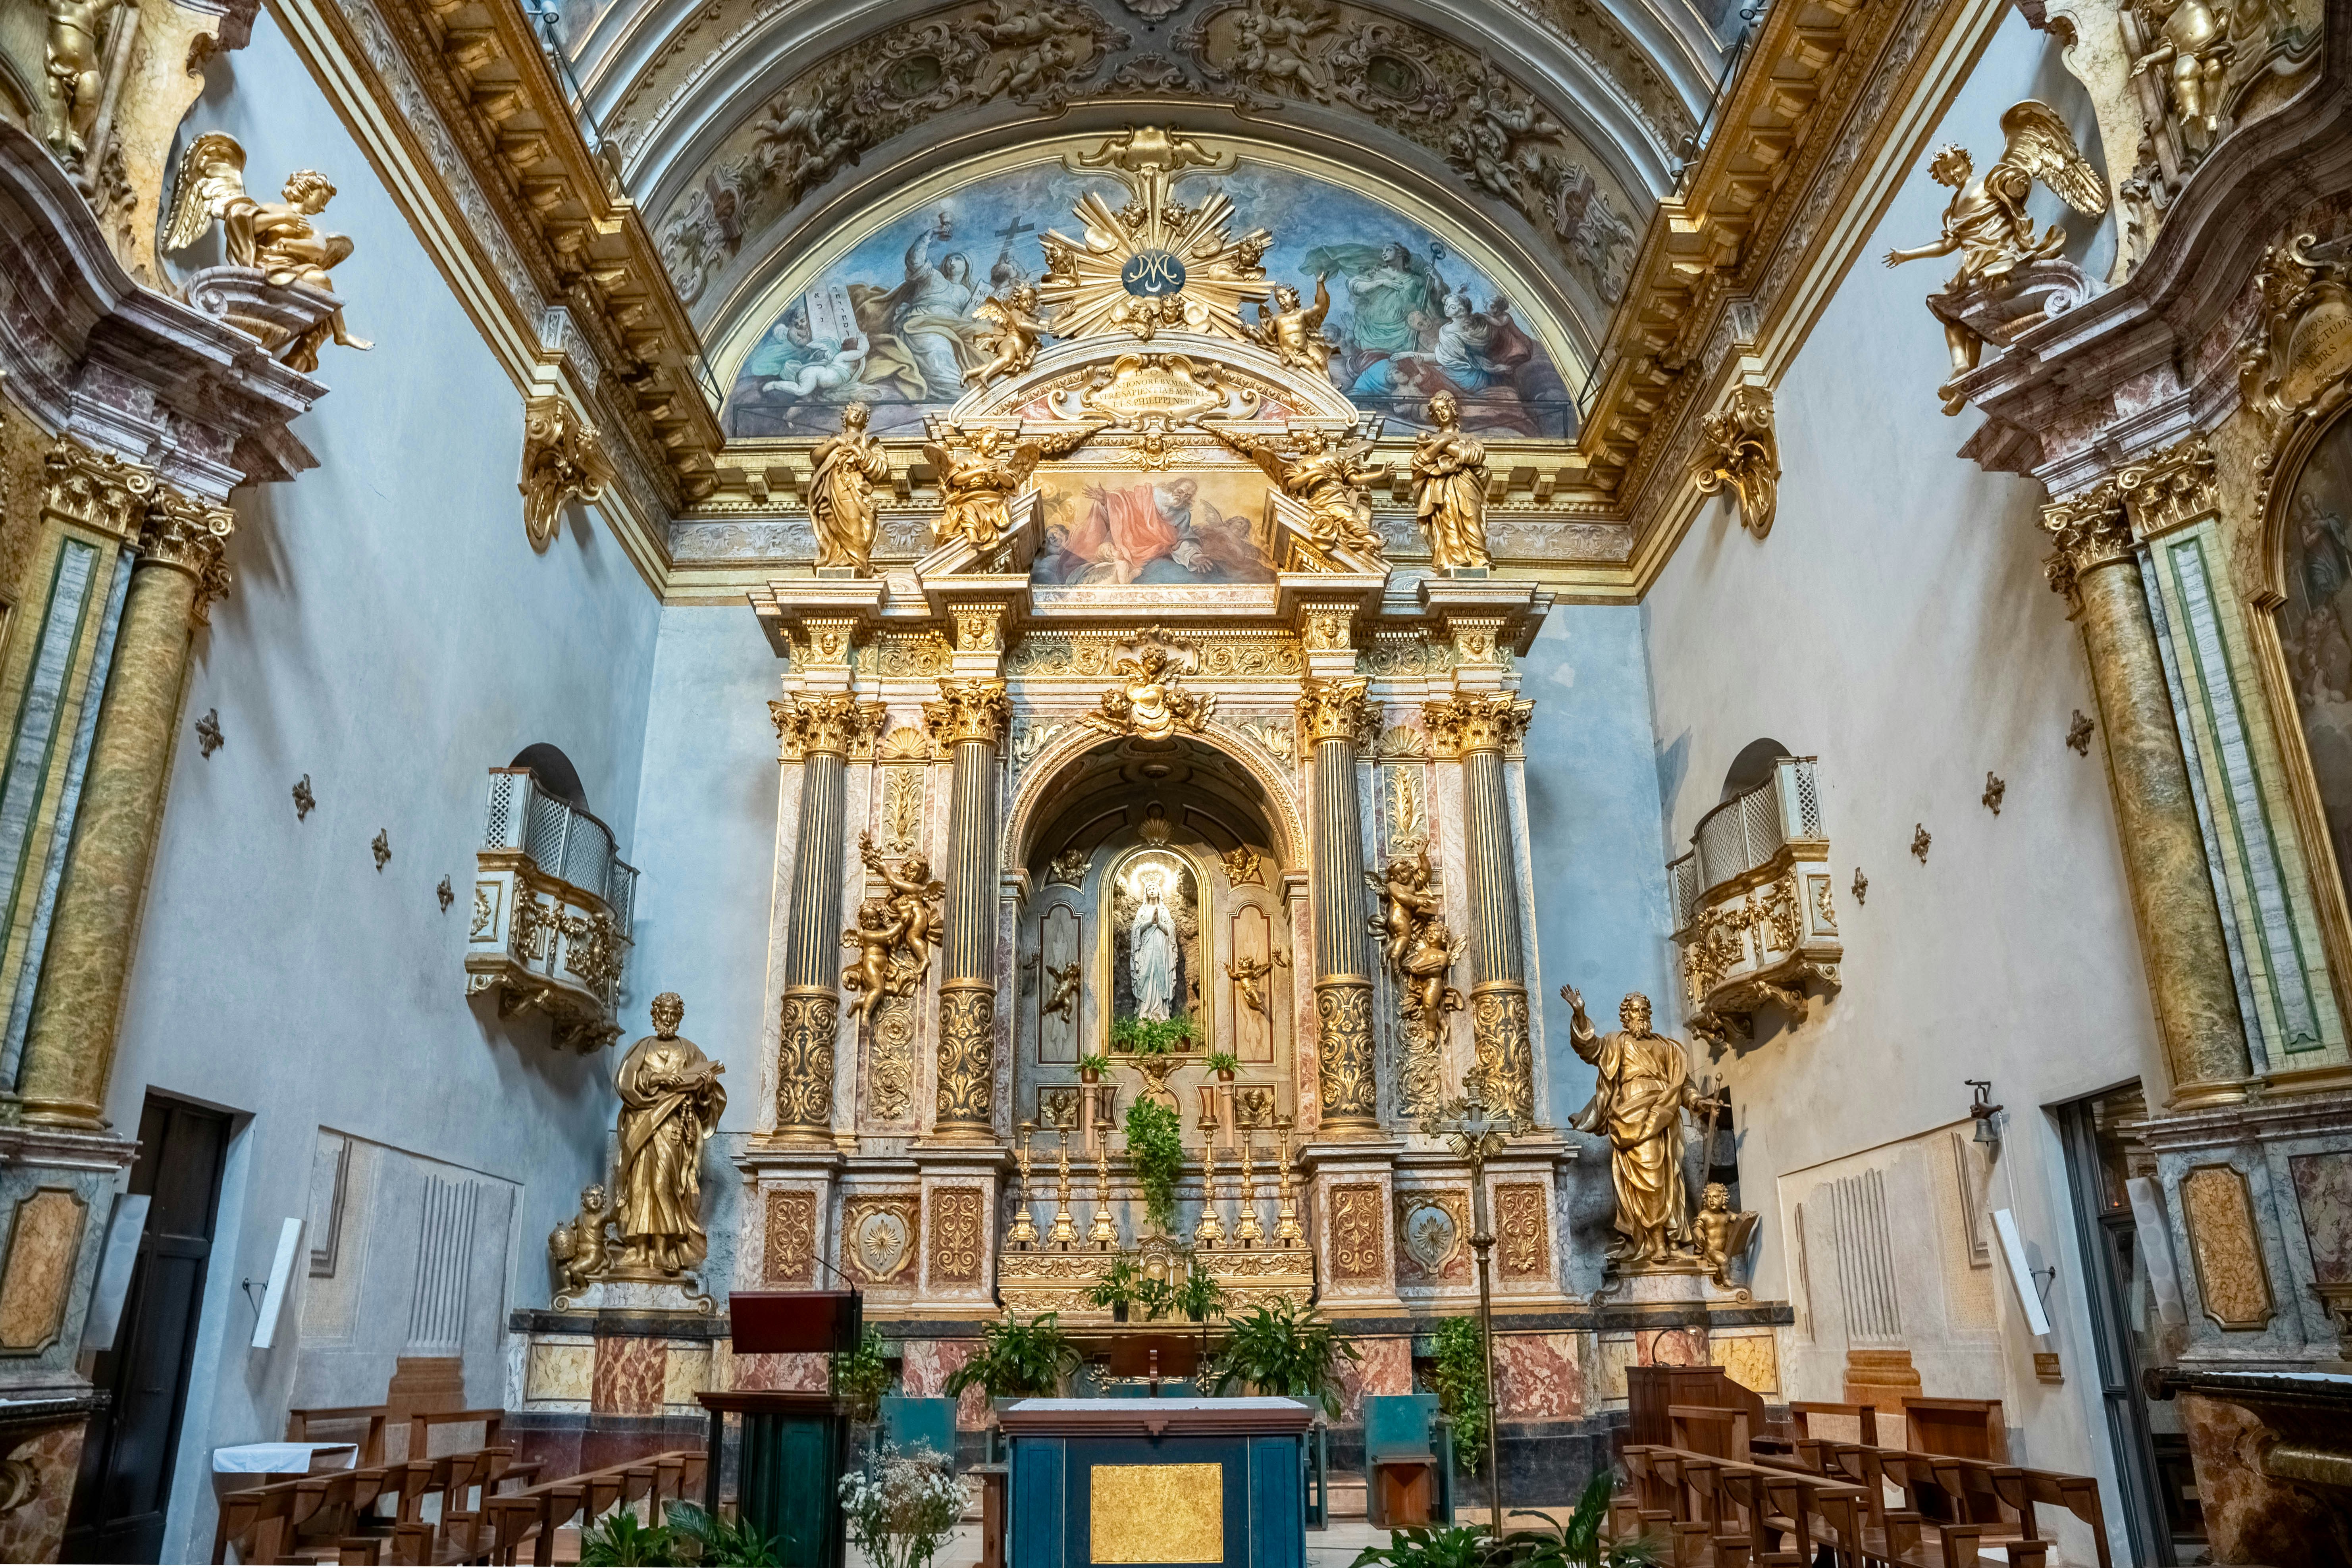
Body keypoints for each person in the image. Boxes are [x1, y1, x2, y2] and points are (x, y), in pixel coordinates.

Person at [1562, 987, 1709, 1267]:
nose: (1640, 1015)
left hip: (1665, 1112)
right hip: (1633, 1117)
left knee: (1671, 1179)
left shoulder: (1667, 1047)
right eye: (1635, 1011)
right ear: (1626, 1016)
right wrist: (1580, 1013)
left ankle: (1673, 1242)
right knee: (1650, 1180)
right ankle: (1656, 1243)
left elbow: (1683, 1083)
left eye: (1644, 1010)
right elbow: (1589, 1048)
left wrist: (1696, 1101)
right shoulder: (1616, 1043)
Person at [612, 994, 727, 1278]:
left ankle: (663, 1250)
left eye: (673, 1014)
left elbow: (706, 1099)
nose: (667, 1019)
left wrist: (705, 1087)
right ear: (655, 1016)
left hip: (673, 1124)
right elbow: (626, 1083)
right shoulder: (642, 1048)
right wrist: (658, 1079)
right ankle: (640, 1250)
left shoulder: (690, 1051)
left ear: (679, 1017)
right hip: (642, 1122)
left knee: (664, 1185)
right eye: (662, 1014)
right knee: (640, 1186)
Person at [1131, 874, 1177, 1022]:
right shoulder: (1142, 911)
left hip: (1162, 947)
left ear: (1158, 892)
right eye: (1149, 889)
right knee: (1146, 974)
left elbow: (1171, 929)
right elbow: (1135, 929)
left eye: (1154, 889)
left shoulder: (1164, 910)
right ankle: (1145, 1010)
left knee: (1161, 975)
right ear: (1146, 893)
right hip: (1147, 947)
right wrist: (1150, 922)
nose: (1152, 891)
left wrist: (1159, 923)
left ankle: (1162, 1012)